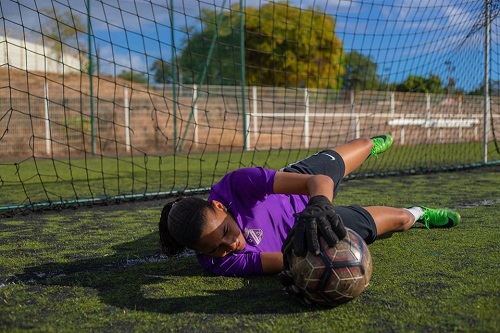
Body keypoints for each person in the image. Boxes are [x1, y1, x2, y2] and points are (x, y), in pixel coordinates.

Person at [158, 134, 460, 277]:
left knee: (363, 145)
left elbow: (318, 182)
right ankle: (420, 213)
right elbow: (286, 261)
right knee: (398, 220)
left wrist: (318, 206)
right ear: (201, 253)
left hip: (303, 186)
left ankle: (371, 147)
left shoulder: (238, 184)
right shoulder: (217, 263)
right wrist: (311, 259)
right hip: (310, 230)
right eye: (215, 248)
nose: (231, 244)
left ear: (220, 208)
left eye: (225, 232)